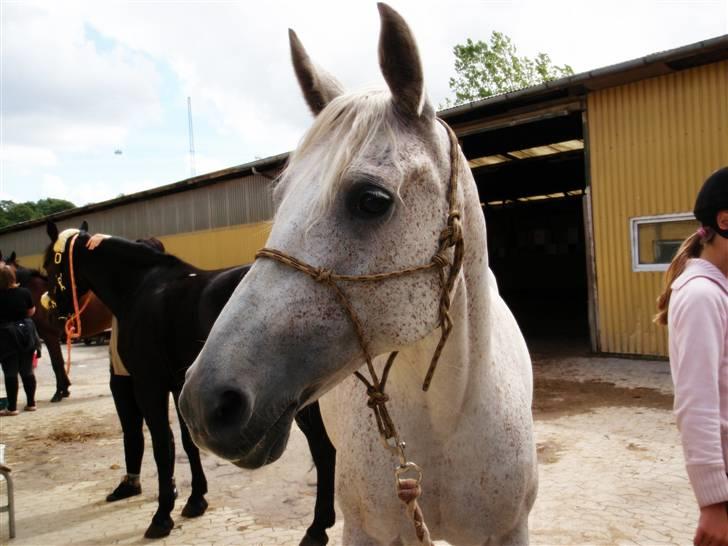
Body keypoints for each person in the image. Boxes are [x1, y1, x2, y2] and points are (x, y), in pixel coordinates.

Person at [656, 166, 728, 546]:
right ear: (725, 220)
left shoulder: (720, 291)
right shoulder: (702, 296)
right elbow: (696, 405)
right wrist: (713, 502)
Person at [86, 235, 177, 502]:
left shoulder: (164, 291)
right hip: (120, 371)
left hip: (149, 374)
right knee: (131, 430)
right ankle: (132, 480)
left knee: (159, 429)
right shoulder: (123, 289)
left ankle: (167, 482)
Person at [0, 265, 38, 415]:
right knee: (27, 370)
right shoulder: (24, 292)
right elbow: (31, 311)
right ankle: (31, 403)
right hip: (26, 333)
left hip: (5, 336)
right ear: (13, 277)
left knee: (10, 372)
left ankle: (12, 408)